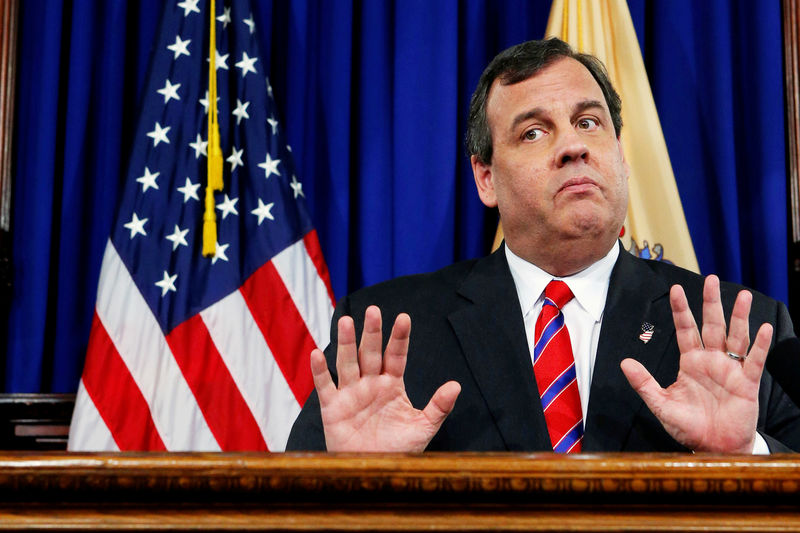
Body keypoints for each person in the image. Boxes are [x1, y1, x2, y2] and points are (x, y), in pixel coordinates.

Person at [286, 38, 800, 454]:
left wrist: (745, 454)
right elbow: (289, 514)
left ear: (620, 156)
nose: (573, 146)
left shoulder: (744, 331)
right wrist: (361, 481)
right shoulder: (392, 333)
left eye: (588, 123)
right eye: (534, 132)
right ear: (485, 178)